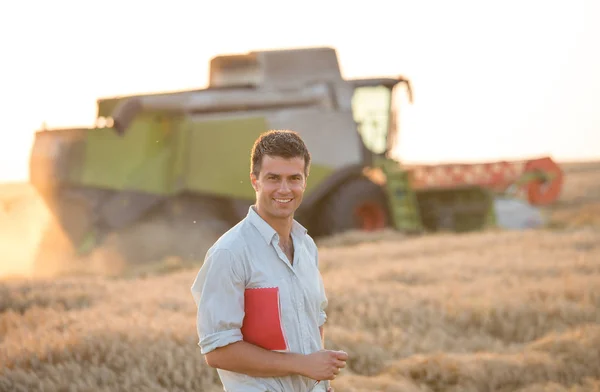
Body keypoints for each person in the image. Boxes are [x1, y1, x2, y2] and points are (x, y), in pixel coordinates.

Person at [191, 130, 347, 392]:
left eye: (294, 178)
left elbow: (314, 322)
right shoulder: (230, 253)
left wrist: (319, 383)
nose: (284, 189)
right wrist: (303, 365)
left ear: (305, 181)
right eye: (273, 178)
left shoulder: (306, 246)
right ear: (255, 181)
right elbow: (217, 352)